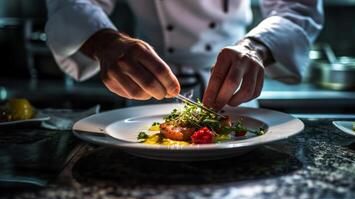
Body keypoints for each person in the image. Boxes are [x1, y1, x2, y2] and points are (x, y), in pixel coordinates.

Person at [45, 0, 323, 110]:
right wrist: (105, 43)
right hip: (146, 85)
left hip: (236, 86)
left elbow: (299, 8)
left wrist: (255, 48)